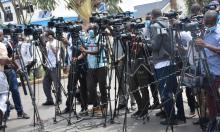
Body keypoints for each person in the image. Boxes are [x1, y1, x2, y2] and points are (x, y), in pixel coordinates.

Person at [149, 9, 185, 125]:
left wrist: (145, 41)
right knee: (175, 89)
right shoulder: (169, 23)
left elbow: (155, 46)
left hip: (161, 62)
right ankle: (181, 115)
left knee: (165, 92)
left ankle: (171, 117)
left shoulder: (155, 26)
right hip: (171, 61)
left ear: (153, 16)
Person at [195, 10, 220, 129]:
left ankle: (215, 120)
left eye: (210, 23)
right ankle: (212, 120)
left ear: (216, 21)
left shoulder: (219, 32)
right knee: (210, 97)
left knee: (214, 97)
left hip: (217, 71)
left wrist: (206, 45)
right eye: (206, 23)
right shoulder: (203, 31)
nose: (208, 25)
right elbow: (200, 49)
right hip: (206, 71)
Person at [1, 33, 30, 120]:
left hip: (10, 71)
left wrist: (18, 68)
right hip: (2, 72)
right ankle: (5, 114)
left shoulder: (8, 44)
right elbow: (8, 60)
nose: (2, 37)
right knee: (4, 94)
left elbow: (11, 59)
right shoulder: (4, 45)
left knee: (15, 91)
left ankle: (20, 112)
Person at [80, 28, 108, 115]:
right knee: (90, 87)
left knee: (102, 88)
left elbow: (98, 51)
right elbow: (84, 50)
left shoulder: (101, 38)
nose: (90, 33)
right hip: (90, 67)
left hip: (101, 66)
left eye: (92, 30)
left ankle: (104, 107)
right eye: (89, 31)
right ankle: (96, 105)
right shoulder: (87, 39)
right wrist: (80, 54)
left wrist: (85, 51)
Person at [61, 31, 88, 115]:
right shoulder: (69, 36)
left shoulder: (80, 36)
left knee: (83, 87)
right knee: (70, 87)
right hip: (72, 66)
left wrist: (68, 43)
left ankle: (84, 108)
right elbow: (69, 52)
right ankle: (69, 107)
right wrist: (66, 63)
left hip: (80, 65)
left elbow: (83, 51)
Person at [42, 30, 62, 105]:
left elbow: (55, 52)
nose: (45, 37)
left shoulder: (57, 42)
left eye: (46, 35)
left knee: (56, 84)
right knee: (45, 83)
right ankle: (49, 99)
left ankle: (59, 99)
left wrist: (50, 43)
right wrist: (46, 62)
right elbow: (48, 54)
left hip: (55, 65)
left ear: (50, 35)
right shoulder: (47, 43)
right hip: (49, 65)